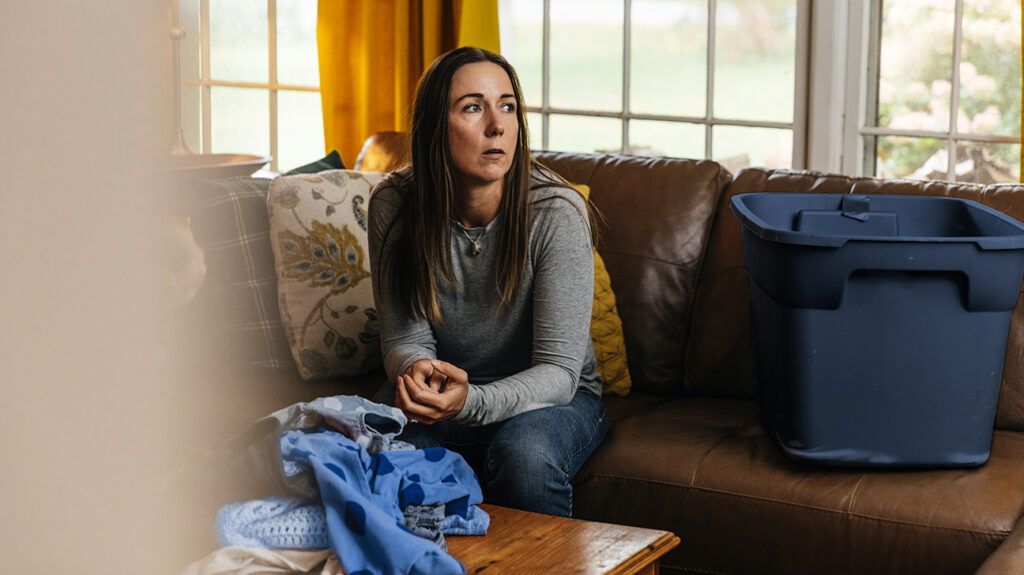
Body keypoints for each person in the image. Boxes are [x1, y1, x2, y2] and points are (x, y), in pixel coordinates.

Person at [368, 47, 607, 518]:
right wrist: (416, 371)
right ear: (438, 125)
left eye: (508, 106)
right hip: (449, 391)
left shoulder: (556, 214)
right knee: (374, 446)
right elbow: (403, 337)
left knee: (526, 459)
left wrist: (470, 402)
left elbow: (560, 374)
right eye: (473, 107)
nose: (497, 126)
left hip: (556, 397)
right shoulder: (393, 205)